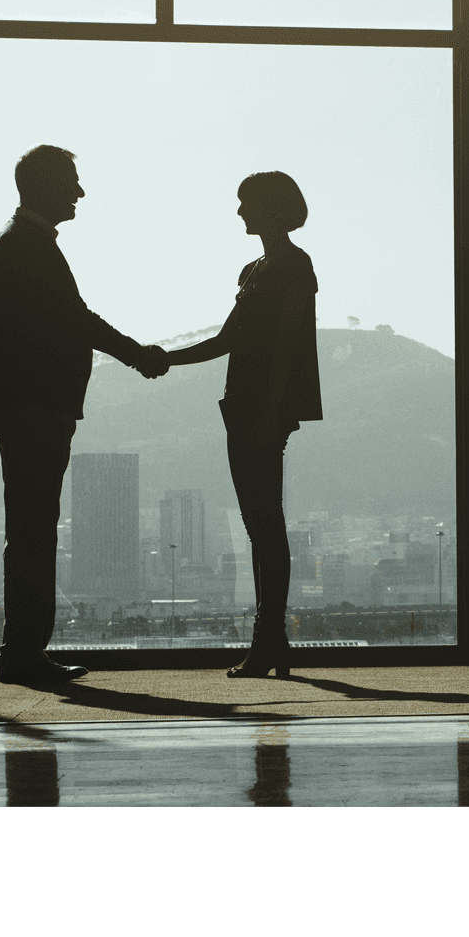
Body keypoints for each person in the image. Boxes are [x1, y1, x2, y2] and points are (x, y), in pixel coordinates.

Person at [0, 144, 168, 689]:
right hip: (36, 408)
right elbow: (76, 320)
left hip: (27, 407)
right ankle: (23, 653)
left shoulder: (19, 244)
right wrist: (140, 355)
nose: (80, 192)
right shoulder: (29, 247)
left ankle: (21, 650)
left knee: (31, 531)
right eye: (72, 182)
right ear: (44, 186)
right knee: (34, 533)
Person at [165, 171, 321, 678]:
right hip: (246, 408)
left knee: (265, 526)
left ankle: (269, 641)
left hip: (260, 412)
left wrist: (272, 412)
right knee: (260, 525)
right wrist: (168, 358)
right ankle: (271, 642)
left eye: (245, 204)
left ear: (272, 208)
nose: (238, 213)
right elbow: (228, 340)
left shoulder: (294, 266)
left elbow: (283, 349)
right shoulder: (256, 269)